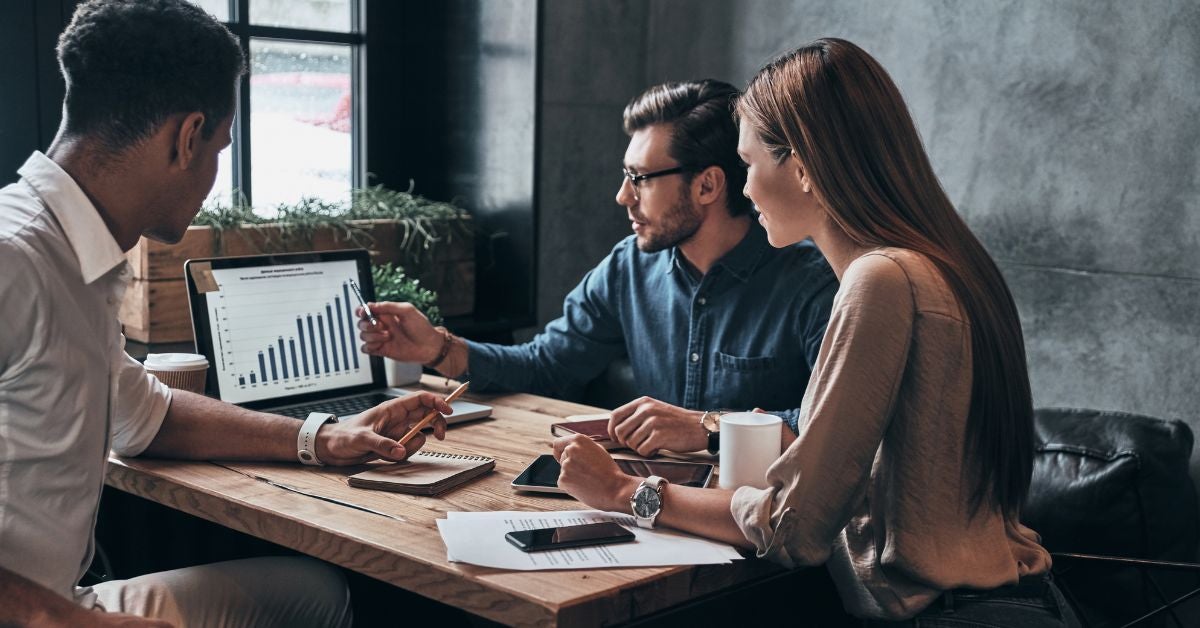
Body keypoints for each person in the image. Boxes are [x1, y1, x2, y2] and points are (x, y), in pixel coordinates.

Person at [552, 38, 1078, 627]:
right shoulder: (944, 262)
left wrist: (625, 493)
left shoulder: (880, 280)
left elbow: (795, 528)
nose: (744, 190)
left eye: (749, 165)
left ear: (801, 166)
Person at [0, 2, 453, 626]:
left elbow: (148, 418)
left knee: (317, 594)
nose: (215, 175)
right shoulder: (13, 259)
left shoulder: (75, 256)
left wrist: (322, 437)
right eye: (219, 146)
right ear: (188, 138)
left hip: (64, 603)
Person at [359, 79, 837, 456]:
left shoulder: (812, 284)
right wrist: (437, 347)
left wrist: (707, 426)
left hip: (759, 529)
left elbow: (832, 429)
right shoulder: (628, 268)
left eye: (640, 179)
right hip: (651, 507)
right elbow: (547, 366)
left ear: (708, 186)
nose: (622, 196)